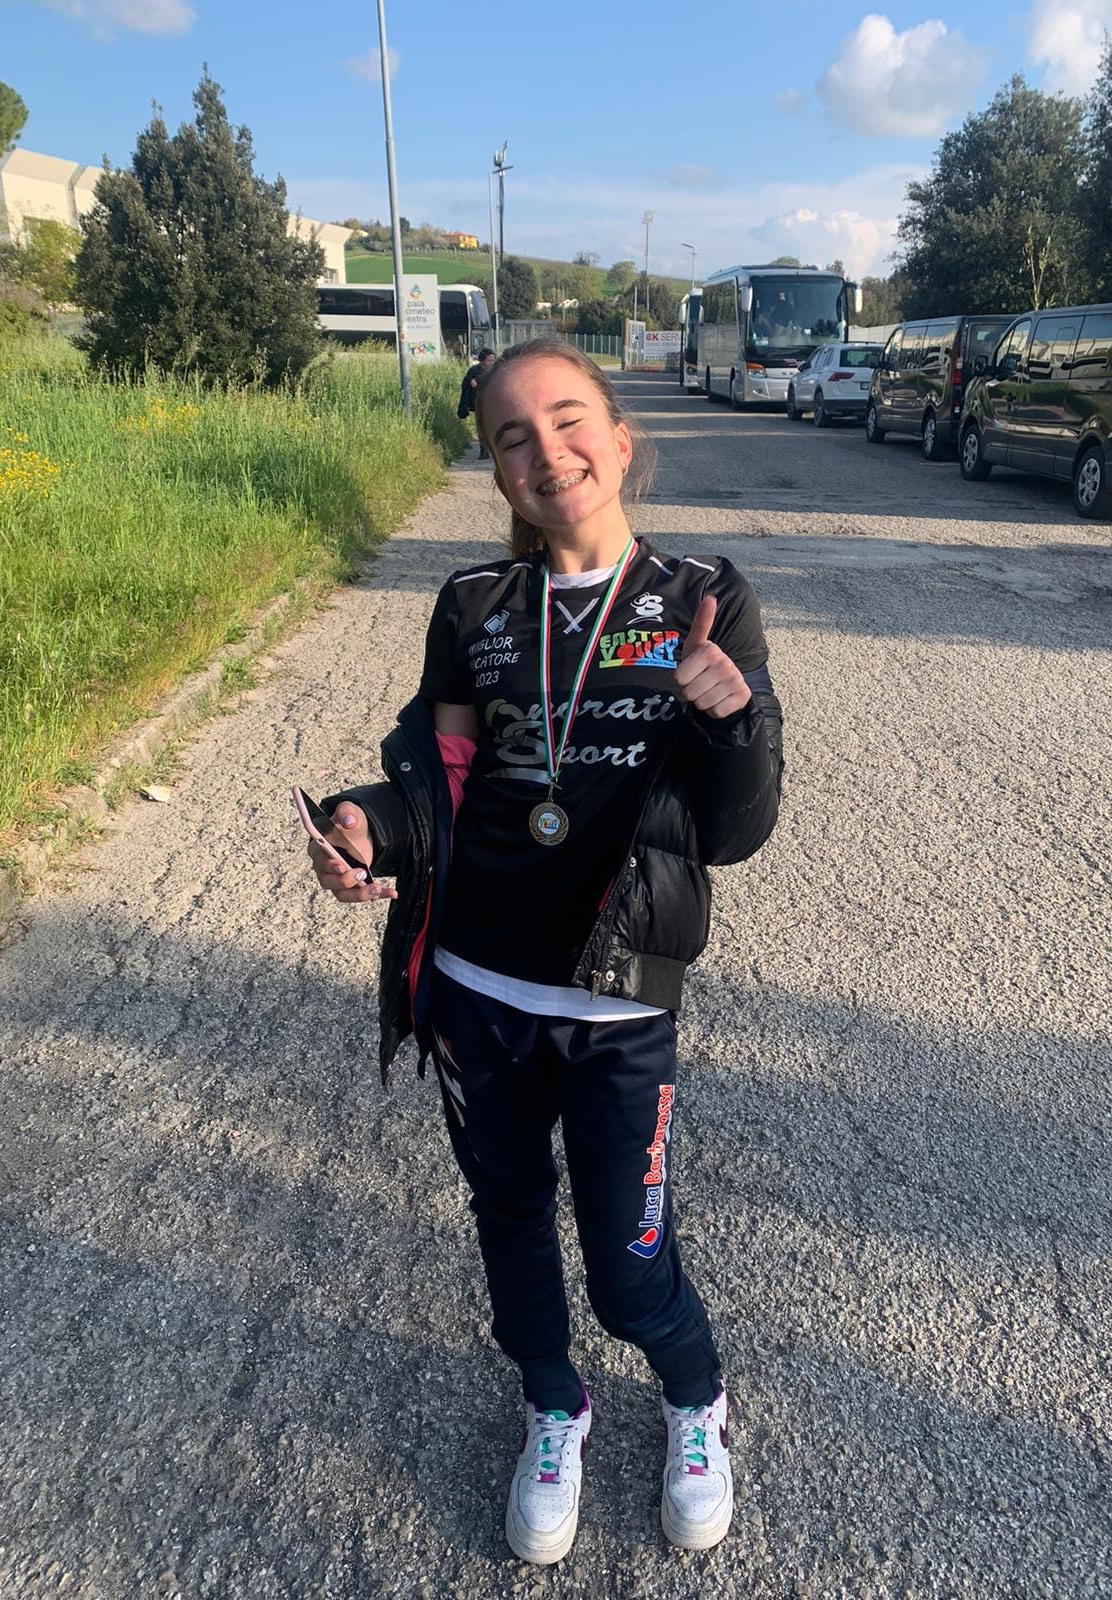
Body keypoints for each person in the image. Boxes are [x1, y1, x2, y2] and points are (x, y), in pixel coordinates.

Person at [305, 340, 782, 1565]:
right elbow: (440, 782)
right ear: (496, 468)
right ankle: (552, 1405)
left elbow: (735, 833)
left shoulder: (703, 595)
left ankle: (696, 1399)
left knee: (629, 1270)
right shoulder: (473, 605)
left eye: (569, 420)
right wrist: (367, 826)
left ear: (619, 439)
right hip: (477, 990)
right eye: (511, 435)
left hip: (619, 1009)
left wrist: (733, 716)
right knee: (509, 1215)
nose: (546, 451)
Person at [458, 347, 495, 458]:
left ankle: (493, 450)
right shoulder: (474, 370)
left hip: (493, 403)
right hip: (479, 402)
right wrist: (471, 382)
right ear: (482, 360)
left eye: (492, 360)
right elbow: (467, 382)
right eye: (489, 360)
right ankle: (484, 451)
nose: (491, 363)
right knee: (481, 427)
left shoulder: (495, 370)